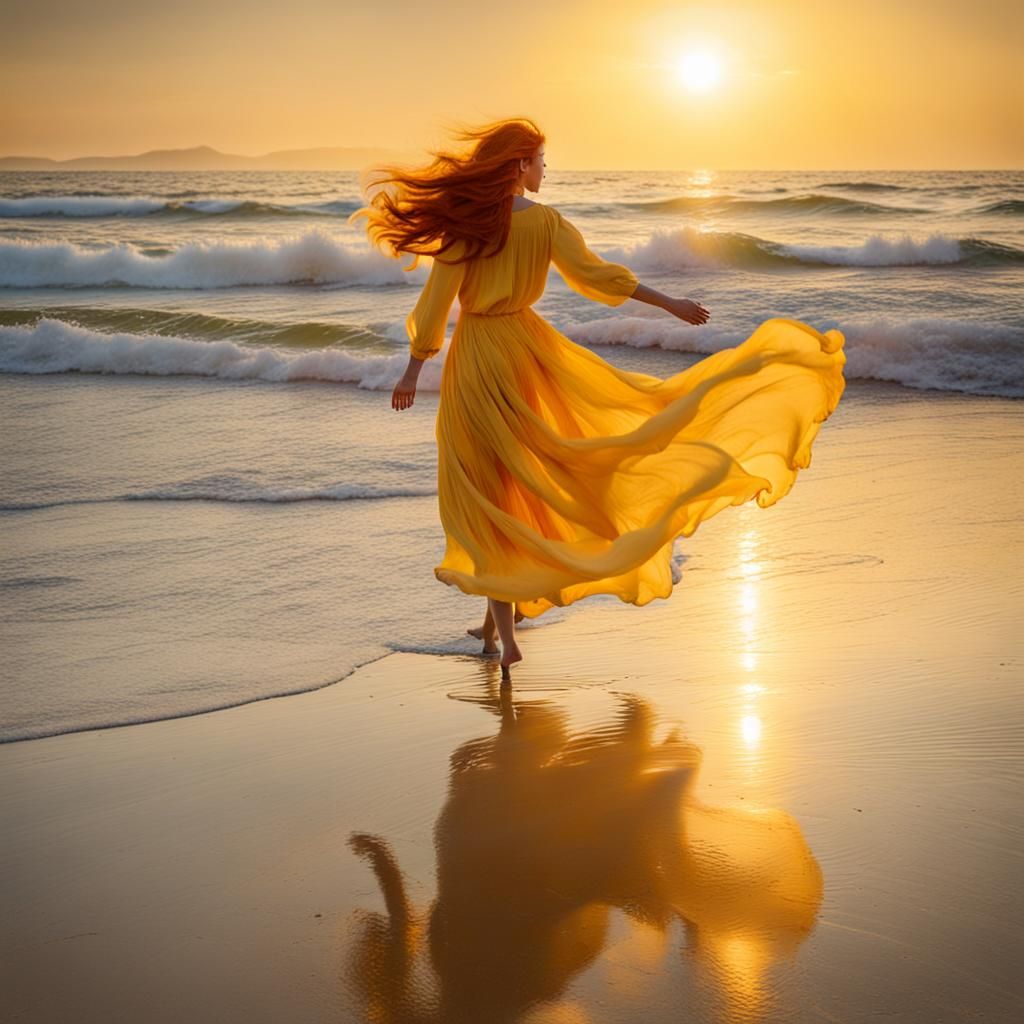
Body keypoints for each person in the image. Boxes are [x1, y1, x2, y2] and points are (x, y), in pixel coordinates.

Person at [350, 118, 845, 682]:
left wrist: (413, 370)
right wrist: (669, 304)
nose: (545, 170)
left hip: (479, 356)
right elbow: (599, 277)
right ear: (517, 166)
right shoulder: (548, 223)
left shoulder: (467, 229)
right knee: (517, 484)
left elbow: (437, 305)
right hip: (527, 350)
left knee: (486, 490)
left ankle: (505, 638)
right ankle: (493, 628)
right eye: (539, 161)